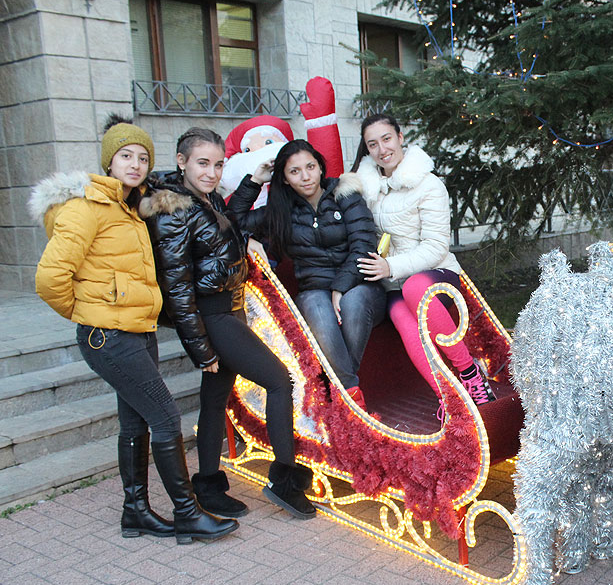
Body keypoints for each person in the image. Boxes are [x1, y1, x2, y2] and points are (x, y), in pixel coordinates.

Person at [33, 116, 238, 544]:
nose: (135, 164)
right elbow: (50, 279)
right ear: (109, 161)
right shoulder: (86, 208)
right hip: (108, 335)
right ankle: (187, 514)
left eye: (143, 158)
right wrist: (89, 313)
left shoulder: (134, 207)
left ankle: (136, 512)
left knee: (136, 424)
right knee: (165, 417)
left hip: (138, 330)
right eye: (125, 156)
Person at [142, 127, 315, 520]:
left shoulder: (204, 198)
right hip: (212, 315)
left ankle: (207, 484)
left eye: (218, 165)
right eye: (203, 164)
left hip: (228, 309)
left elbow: (227, 224)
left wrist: (252, 183)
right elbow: (177, 287)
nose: (212, 172)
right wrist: (201, 350)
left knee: (214, 399)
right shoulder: (173, 210)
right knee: (279, 380)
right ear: (182, 161)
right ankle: (284, 482)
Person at [352, 113, 495, 419]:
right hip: (391, 284)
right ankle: (447, 394)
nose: (382, 149)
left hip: (435, 276)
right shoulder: (365, 189)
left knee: (415, 288)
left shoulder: (428, 184)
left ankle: (470, 374)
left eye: (387, 139)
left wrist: (390, 266)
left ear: (400, 137)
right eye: (373, 144)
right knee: (401, 316)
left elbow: (436, 247)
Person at [228, 140, 385, 410]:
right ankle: (351, 395)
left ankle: (337, 390)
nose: (305, 176)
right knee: (315, 304)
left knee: (353, 301)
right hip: (314, 291)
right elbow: (232, 222)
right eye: (295, 171)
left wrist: (340, 287)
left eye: (310, 167)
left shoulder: (346, 195)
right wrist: (255, 181)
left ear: (320, 168)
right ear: (285, 179)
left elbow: (363, 245)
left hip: (361, 286)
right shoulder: (282, 211)